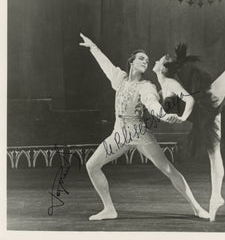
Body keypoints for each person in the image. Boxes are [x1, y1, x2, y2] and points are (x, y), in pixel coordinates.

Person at [152, 9, 225, 222]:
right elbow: (178, 104)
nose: (156, 60)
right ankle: (215, 196)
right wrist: (172, 114)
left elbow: (188, 100)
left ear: (162, 68)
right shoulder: (164, 85)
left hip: (202, 108)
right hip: (203, 113)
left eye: (158, 60)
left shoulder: (168, 83)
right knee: (214, 155)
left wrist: (180, 117)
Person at [79, 33, 209, 220]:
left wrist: (165, 115)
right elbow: (106, 65)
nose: (145, 61)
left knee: (168, 169)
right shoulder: (120, 79)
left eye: (147, 60)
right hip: (119, 135)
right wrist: (93, 47)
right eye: (141, 58)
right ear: (131, 62)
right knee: (92, 165)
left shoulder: (146, 86)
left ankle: (197, 207)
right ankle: (109, 209)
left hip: (140, 134)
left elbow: (153, 105)